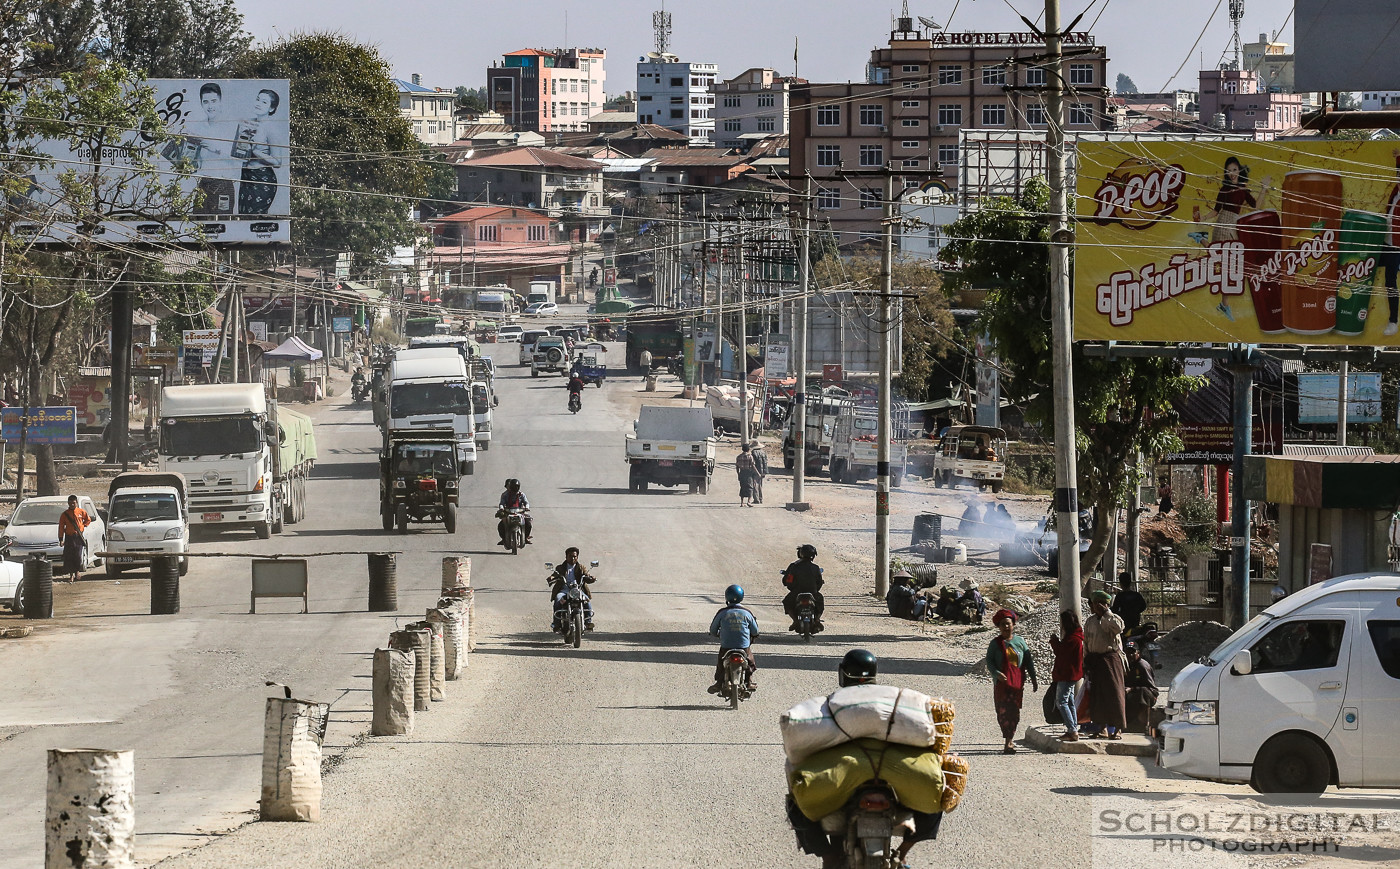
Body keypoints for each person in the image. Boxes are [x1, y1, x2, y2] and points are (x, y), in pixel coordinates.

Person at [785, 650, 943, 866]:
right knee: (939, 787)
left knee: (796, 801)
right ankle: (903, 852)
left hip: (845, 779)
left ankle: (829, 857)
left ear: (843, 674)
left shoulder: (833, 704)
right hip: (893, 776)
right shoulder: (893, 700)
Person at [985, 608, 1038, 753]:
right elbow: (989, 661)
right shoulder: (995, 644)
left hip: (1017, 684)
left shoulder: (1020, 642)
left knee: (1014, 712)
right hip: (1002, 686)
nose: (1006, 627)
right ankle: (1007, 740)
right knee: (1002, 711)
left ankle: (1009, 740)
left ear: (1013, 624)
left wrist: (1034, 679)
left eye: (1008, 624)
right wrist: (996, 673)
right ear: (999, 627)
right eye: (1003, 624)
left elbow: (1028, 662)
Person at [1081, 590, 1127, 740]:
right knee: (1098, 696)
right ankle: (1101, 728)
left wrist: (1106, 613)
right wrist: (1085, 661)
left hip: (1111, 661)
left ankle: (1118, 729)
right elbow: (1086, 642)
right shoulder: (1090, 621)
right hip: (1096, 661)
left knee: (1114, 694)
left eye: (1095, 604)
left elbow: (1119, 628)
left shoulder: (1113, 619)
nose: (1092, 607)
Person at [187, 82, 238, 215]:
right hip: (204, 183)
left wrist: (214, 147)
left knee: (222, 227)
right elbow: (194, 161)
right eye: (206, 102)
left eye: (214, 101)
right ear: (201, 104)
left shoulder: (231, 126)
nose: (210, 106)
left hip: (224, 183)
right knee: (198, 225)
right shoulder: (198, 127)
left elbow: (238, 157)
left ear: (220, 101)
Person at [235, 88, 284, 215]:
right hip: (245, 176)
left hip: (262, 179)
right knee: (243, 217)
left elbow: (278, 162)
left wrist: (256, 151)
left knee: (255, 218)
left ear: (271, 109)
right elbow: (239, 151)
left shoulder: (272, 128)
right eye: (258, 100)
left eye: (264, 102)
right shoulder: (248, 123)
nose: (258, 104)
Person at [708, 584, 759, 694]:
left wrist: (717, 634)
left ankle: (718, 683)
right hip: (743, 646)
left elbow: (712, 630)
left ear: (727, 597)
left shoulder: (722, 613)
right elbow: (755, 631)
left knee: (721, 662)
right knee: (750, 662)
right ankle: (749, 681)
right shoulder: (747, 613)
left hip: (726, 646)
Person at [1049, 610, 1085, 742]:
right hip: (1072, 675)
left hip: (1066, 674)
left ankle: (1072, 730)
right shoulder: (1076, 638)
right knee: (1069, 702)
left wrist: (1054, 641)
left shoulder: (1072, 640)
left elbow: (1061, 653)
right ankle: (1073, 727)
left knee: (1061, 702)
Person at [548, 547, 595, 631]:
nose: (573, 558)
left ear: (577, 557)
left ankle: (588, 622)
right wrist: (552, 577)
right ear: (566, 557)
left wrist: (591, 577)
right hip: (564, 591)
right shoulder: (560, 567)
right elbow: (555, 574)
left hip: (577, 590)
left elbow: (586, 575)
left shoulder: (581, 567)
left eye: (575, 556)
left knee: (586, 600)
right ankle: (557, 624)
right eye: (570, 556)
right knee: (558, 600)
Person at [781, 544, 825, 631]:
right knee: (820, 601)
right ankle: (817, 619)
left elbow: (788, 581)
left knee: (787, 601)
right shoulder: (815, 568)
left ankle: (795, 621)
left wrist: (790, 587)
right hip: (813, 592)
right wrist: (815, 590)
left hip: (796, 592)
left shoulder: (794, 566)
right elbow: (819, 582)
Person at [1123, 640, 1159, 733]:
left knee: (1143, 692)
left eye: (1132, 652)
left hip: (1148, 695)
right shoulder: (1126, 665)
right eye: (1127, 653)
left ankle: (1145, 725)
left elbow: (1151, 689)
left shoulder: (1143, 666)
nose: (1129, 655)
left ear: (1138, 653)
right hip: (1131, 693)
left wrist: (1132, 689)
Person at [58, 495, 91, 582]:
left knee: (78, 556)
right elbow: (61, 527)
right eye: (70, 503)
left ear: (76, 502)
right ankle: (71, 575)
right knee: (69, 557)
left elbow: (88, 520)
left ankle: (77, 572)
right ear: (68, 503)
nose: (72, 504)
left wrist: (83, 526)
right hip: (69, 537)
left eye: (74, 503)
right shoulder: (65, 514)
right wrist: (61, 539)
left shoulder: (81, 512)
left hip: (78, 537)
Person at [496, 478, 533, 547]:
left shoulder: (521, 495)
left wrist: (526, 507)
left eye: (516, 487)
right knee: (501, 526)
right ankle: (504, 539)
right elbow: (501, 503)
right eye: (512, 487)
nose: (514, 489)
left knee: (528, 524)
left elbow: (526, 502)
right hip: (508, 513)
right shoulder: (505, 495)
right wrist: (501, 508)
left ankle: (525, 537)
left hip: (520, 512)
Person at [735, 442, 759, 507]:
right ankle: (749, 502)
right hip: (748, 473)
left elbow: (737, 467)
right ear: (748, 449)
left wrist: (738, 474)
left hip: (742, 473)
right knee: (750, 487)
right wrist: (758, 473)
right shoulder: (750, 456)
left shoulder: (738, 457)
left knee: (742, 487)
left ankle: (742, 503)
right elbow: (753, 466)